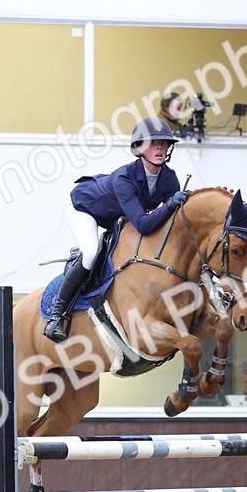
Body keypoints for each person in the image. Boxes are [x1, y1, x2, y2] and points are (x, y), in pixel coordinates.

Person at [44, 117, 188, 342]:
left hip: (117, 216)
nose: (160, 148)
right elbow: (142, 223)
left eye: (164, 144)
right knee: (91, 251)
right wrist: (171, 204)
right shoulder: (124, 178)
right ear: (140, 148)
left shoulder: (169, 178)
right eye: (153, 143)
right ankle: (57, 315)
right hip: (85, 208)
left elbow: (170, 224)